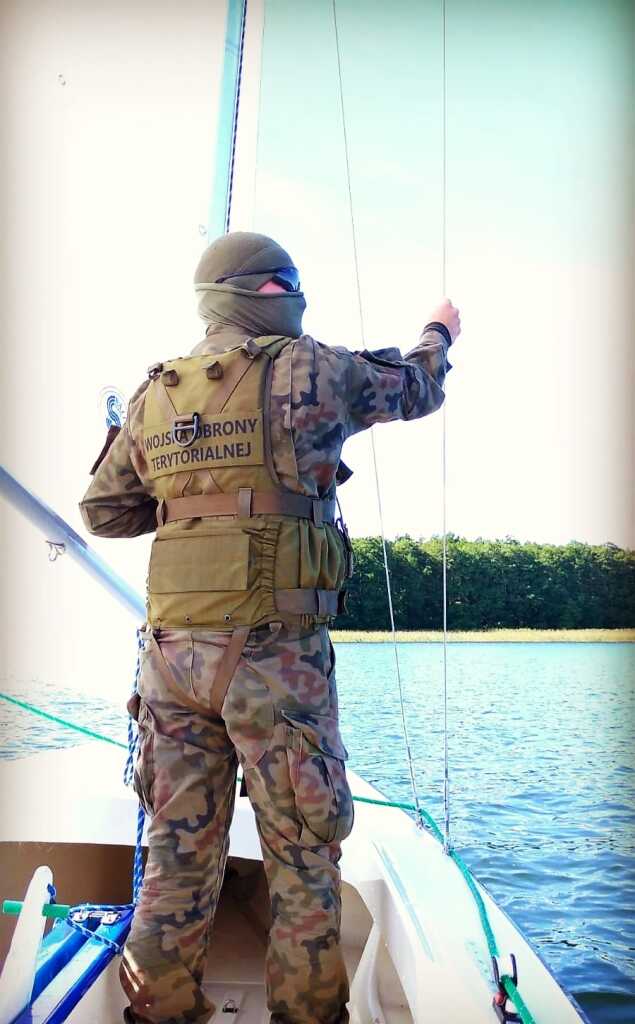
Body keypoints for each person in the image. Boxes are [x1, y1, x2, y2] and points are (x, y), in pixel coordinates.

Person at [79, 231, 461, 1024]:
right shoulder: (310, 368)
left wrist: (196, 501)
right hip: (274, 663)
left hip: (170, 664)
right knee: (302, 854)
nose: (294, 292)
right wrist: (439, 332)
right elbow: (417, 388)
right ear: (259, 291)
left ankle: (159, 1013)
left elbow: (104, 511)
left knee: (176, 852)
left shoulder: (153, 396)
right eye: (284, 280)